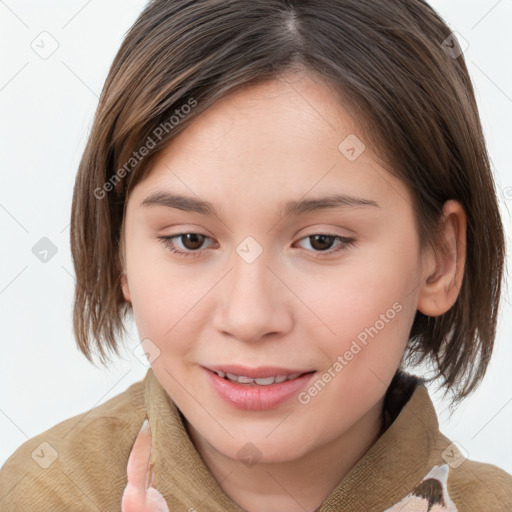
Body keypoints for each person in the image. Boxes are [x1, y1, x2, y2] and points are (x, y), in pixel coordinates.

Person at [1, 1, 511, 511]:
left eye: (322, 241)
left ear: (440, 259)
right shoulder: (41, 495)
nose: (248, 318)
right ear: (120, 254)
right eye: (190, 240)